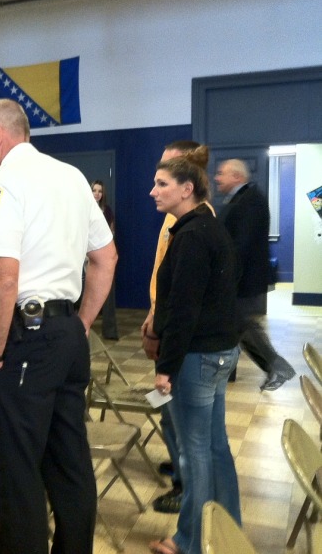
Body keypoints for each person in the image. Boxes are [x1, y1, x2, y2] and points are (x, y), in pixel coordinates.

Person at [0, 99, 116, 554]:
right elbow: (106, 258)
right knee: (70, 461)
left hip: (25, 339)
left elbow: (2, 276)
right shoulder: (71, 177)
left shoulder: (0, 185)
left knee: (17, 472)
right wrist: (83, 323)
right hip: (67, 334)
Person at [149, 151, 241, 554]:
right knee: (214, 444)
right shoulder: (207, 227)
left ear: (187, 190)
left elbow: (184, 310)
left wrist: (165, 368)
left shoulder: (190, 235)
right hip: (219, 352)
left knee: (193, 453)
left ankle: (190, 540)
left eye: (162, 184)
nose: (153, 191)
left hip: (197, 356)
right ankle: (226, 527)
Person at [141, 140, 207, 515]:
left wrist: (156, 329)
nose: (156, 187)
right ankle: (178, 465)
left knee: (183, 419)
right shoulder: (173, 217)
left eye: (165, 177)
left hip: (179, 340)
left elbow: (183, 298)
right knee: (169, 412)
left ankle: (185, 486)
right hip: (161, 322)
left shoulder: (194, 223)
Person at [215, 159, 296, 391]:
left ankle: (277, 365)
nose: (217, 178)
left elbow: (241, 246)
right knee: (235, 324)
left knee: (240, 323)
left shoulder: (250, 201)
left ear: (237, 177)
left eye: (222, 174)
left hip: (244, 279)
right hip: (242, 277)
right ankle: (229, 372)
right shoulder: (244, 198)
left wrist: (225, 274)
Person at [91, 179, 119, 340]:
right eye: (94, 190)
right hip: (84, 258)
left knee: (108, 294)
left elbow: (111, 234)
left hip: (102, 256)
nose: (97, 194)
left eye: (100, 191)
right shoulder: (84, 210)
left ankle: (110, 331)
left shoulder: (106, 211)